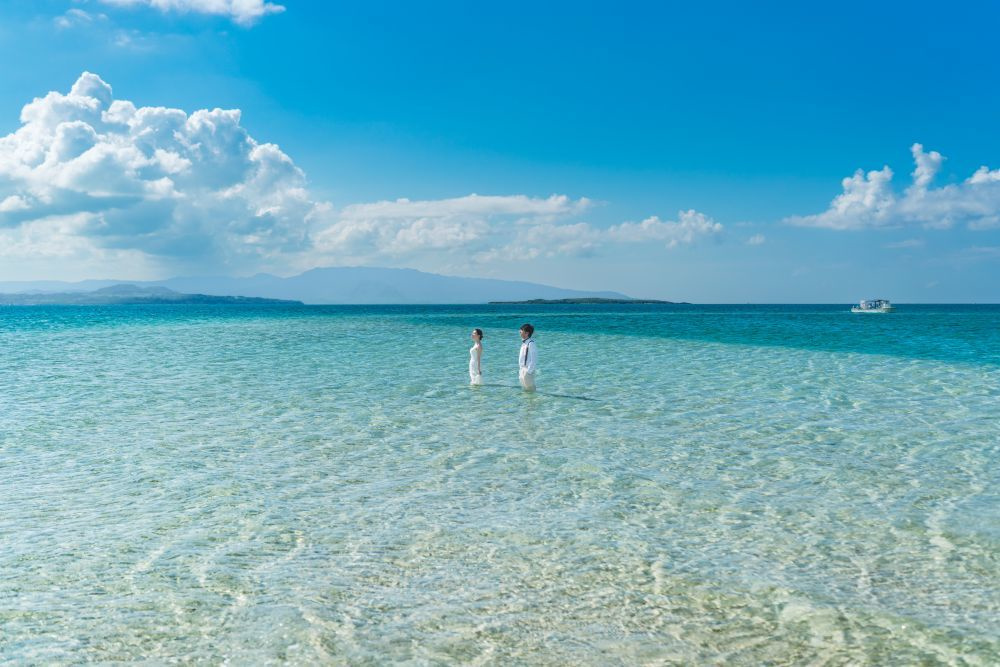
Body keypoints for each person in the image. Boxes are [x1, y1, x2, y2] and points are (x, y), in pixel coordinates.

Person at [518, 323, 537, 392]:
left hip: (527, 371)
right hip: (522, 370)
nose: (519, 332)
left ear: (526, 333)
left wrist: (528, 372)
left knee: (531, 391)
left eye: (521, 331)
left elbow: (534, 359)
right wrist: (521, 369)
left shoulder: (531, 343)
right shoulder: (524, 343)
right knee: (525, 391)